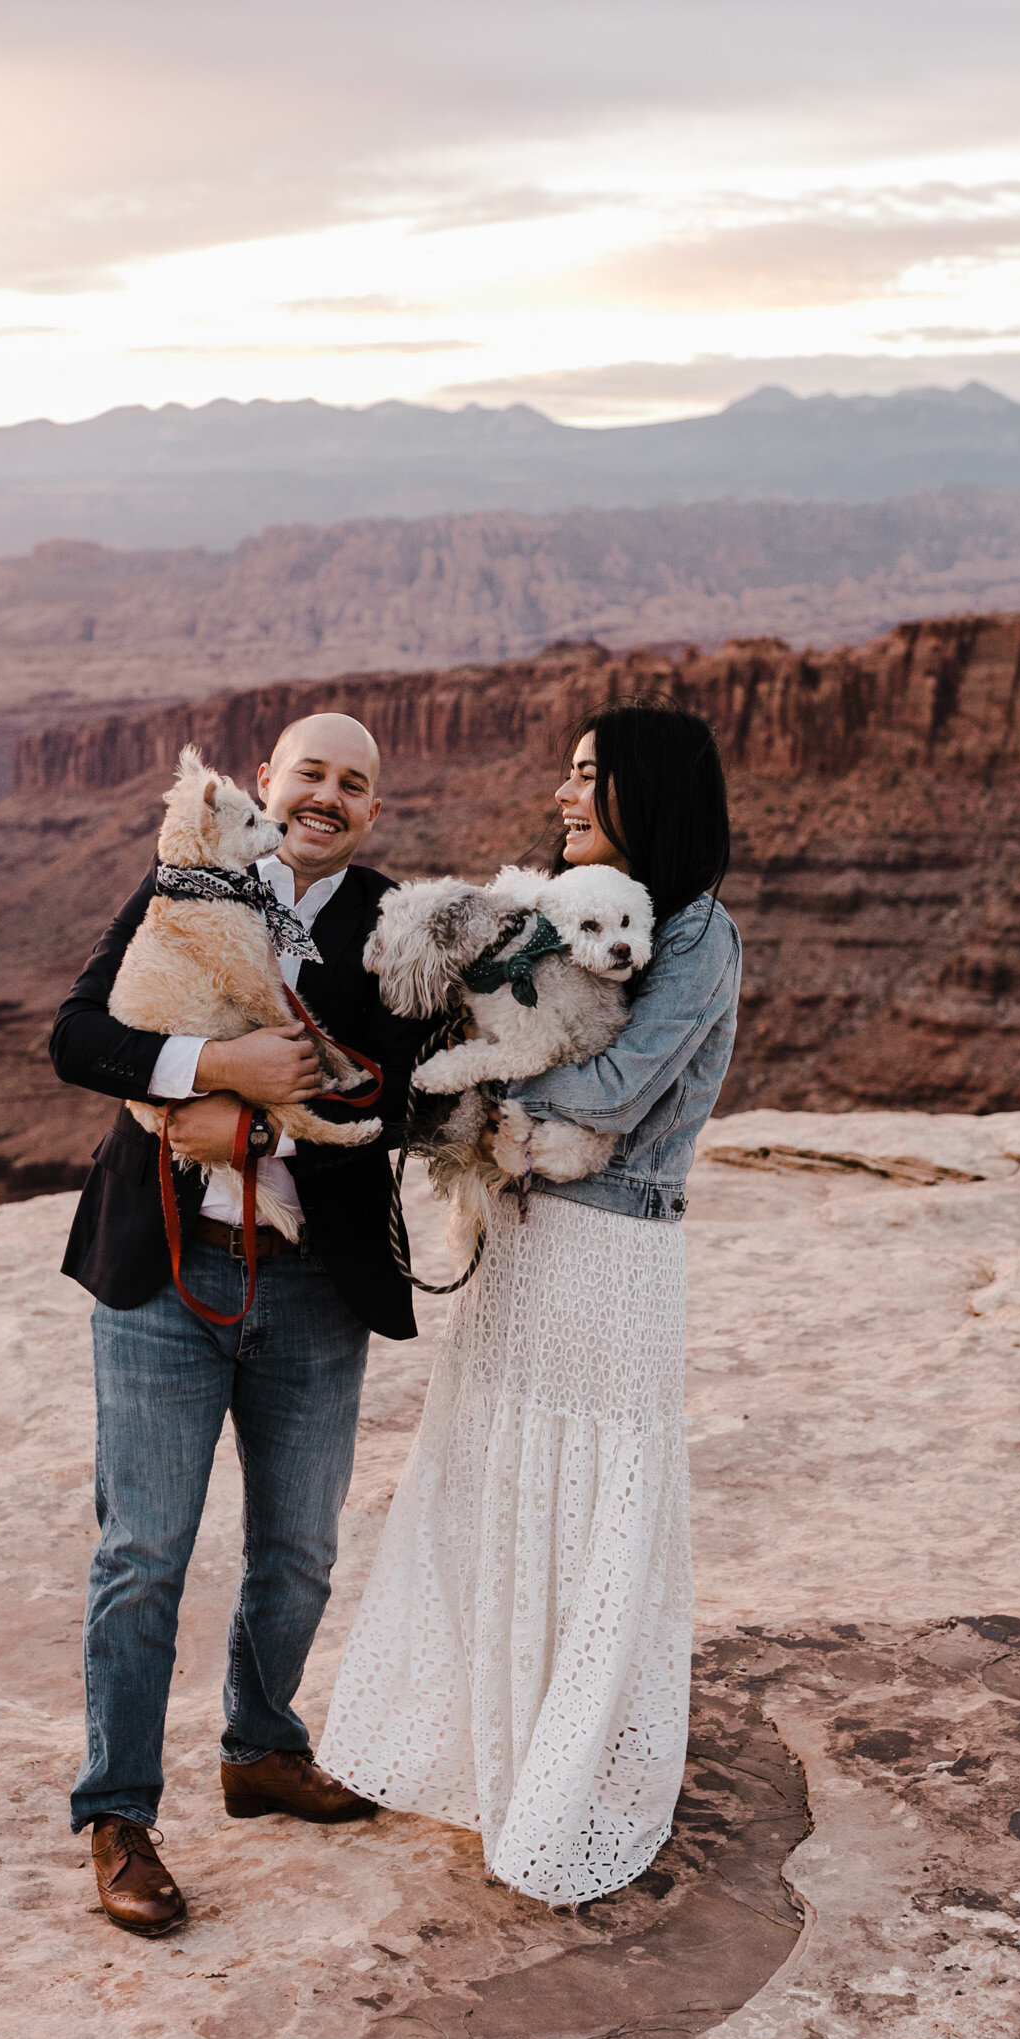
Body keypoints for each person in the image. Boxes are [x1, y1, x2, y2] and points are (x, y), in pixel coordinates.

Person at [320, 705, 739, 1907]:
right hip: (523, 1230)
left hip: (606, 1249)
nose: (561, 796)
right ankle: (476, 1744)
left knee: (582, 1487)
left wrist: (458, 1083)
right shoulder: (568, 907)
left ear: (643, 792)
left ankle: (567, 1776)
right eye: (562, 775)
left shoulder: (696, 932)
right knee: (499, 1472)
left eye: (585, 777)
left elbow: (611, 1087)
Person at [49, 712, 426, 1939]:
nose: (326, 795)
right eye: (307, 772)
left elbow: (410, 1092)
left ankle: (261, 1747)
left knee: (299, 1551)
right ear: (263, 784)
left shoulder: (391, 924)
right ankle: (118, 1815)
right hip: (165, 1273)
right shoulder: (184, 879)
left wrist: (260, 1124)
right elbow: (80, 1035)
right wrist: (214, 1069)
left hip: (312, 1292)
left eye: (353, 784)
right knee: (142, 1554)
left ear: (371, 811)